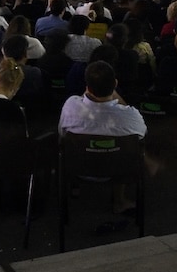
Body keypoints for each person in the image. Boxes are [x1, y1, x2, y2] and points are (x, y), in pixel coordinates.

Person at [57, 60, 147, 215]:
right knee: (127, 149)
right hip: (118, 170)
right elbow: (141, 136)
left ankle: (75, 187)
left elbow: (61, 133)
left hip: (77, 168)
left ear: (87, 87)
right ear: (115, 84)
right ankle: (119, 201)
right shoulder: (131, 116)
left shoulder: (70, 105)